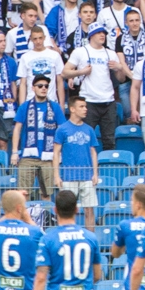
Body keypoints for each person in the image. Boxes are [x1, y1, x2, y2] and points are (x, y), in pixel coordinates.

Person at [53, 95, 99, 228]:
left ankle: (90, 239)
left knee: (89, 210)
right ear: (72, 109)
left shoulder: (89, 129)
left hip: (87, 176)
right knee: (66, 211)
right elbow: (56, 153)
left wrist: (95, 174)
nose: (85, 109)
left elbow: (93, 153)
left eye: (86, 106)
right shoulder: (62, 129)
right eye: (82, 106)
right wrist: (56, 176)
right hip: (68, 177)